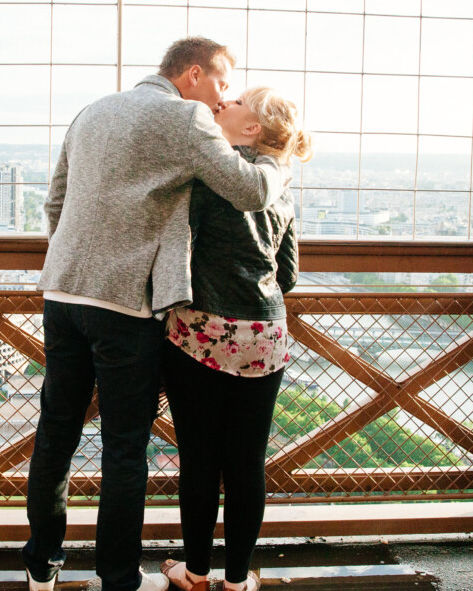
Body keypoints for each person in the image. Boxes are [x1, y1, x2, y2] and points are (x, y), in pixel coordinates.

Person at [25, 38, 289, 591]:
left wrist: (76, 263)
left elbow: (56, 201)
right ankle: (118, 577)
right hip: (126, 305)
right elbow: (248, 190)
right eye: (220, 86)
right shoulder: (186, 116)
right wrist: (276, 156)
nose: (220, 102)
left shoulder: (92, 110)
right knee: (125, 447)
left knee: (56, 434)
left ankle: (41, 567)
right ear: (194, 74)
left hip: (63, 294)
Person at [158, 87, 310, 591]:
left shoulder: (207, 175)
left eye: (238, 102)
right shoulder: (280, 185)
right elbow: (286, 274)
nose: (224, 103)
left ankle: (197, 571)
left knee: (200, 458)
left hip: (201, 331)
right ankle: (239, 580)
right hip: (265, 335)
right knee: (247, 463)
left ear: (252, 129)